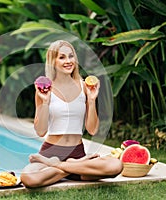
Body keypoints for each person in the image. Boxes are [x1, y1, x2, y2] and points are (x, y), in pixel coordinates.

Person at [20, 40, 123, 188]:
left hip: (77, 152)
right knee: (29, 178)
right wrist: (45, 102)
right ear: (52, 61)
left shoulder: (84, 86)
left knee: (115, 165)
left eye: (71, 56)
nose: (68, 61)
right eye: (62, 57)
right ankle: (72, 168)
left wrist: (92, 100)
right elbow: (41, 131)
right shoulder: (45, 91)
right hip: (51, 151)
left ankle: (59, 166)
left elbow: (92, 130)